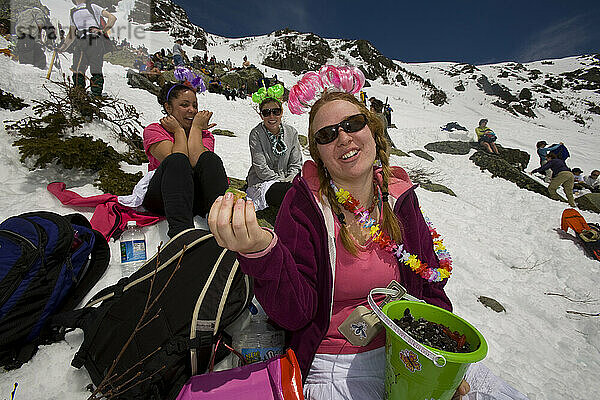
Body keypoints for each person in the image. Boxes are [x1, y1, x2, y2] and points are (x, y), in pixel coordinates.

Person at [208, 65, 466, 399]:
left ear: (372, 131)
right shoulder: (304, 205)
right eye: (327, 135)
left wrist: (443, 356)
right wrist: (262, 251)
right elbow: (294, 312)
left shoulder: (400, 196)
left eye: (353, 124)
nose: (343, 137)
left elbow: (429, 286)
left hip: (409, 349)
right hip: (335, 364)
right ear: (319, 155)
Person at [142, 83, 228, 238]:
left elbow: (198, 160)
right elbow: (175, 159)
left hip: (195, 197)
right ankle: (181, 234)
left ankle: (223, 225)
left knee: (210, 159)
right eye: (184, 105)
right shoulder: (154, 130)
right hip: (164, 197)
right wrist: (178, 131)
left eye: (195, 105)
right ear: (168, 108)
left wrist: (195, 129)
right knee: (177, 161)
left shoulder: (204, 134)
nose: (192, 110)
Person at [245, 88, 302, 210]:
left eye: (275, 111)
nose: (271, 116)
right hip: (263, 182)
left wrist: (290, 179)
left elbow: (296, 164)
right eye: (266, 113)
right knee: (290, 194)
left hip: (287, 182)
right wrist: (282, 181)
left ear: (281, 112)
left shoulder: (291, 132)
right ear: (261, 115)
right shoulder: (256, 134)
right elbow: (260, 167)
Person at [59, 0, 116, 97]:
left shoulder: (92, 7)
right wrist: (62, 48)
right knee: (79, 68)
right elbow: (71, 34)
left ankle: (92, 93)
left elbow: (112, 18)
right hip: (83, 41)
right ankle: (81, 92)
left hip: (93, 40)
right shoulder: (73, 12)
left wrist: (102, 31)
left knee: (93, 68)